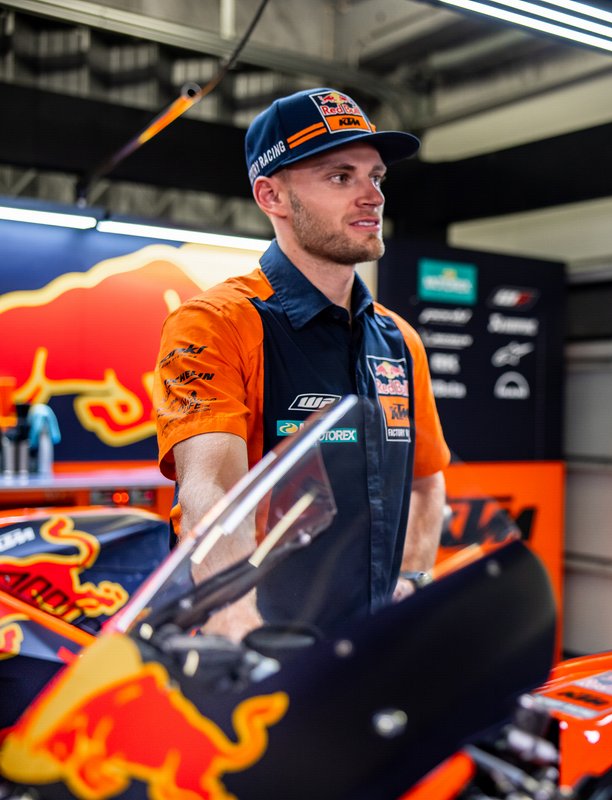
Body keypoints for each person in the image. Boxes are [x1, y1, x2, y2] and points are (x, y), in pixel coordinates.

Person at [154, 88, 451, 638]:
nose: (372, 196)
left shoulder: (399, 341)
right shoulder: (215, 323)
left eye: (376, 177)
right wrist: (238, 624)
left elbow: (425, 481)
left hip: (366, 649)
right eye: (341, 177)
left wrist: (411, 581)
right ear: (272, 196)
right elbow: (211, 493)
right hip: (255, 650)